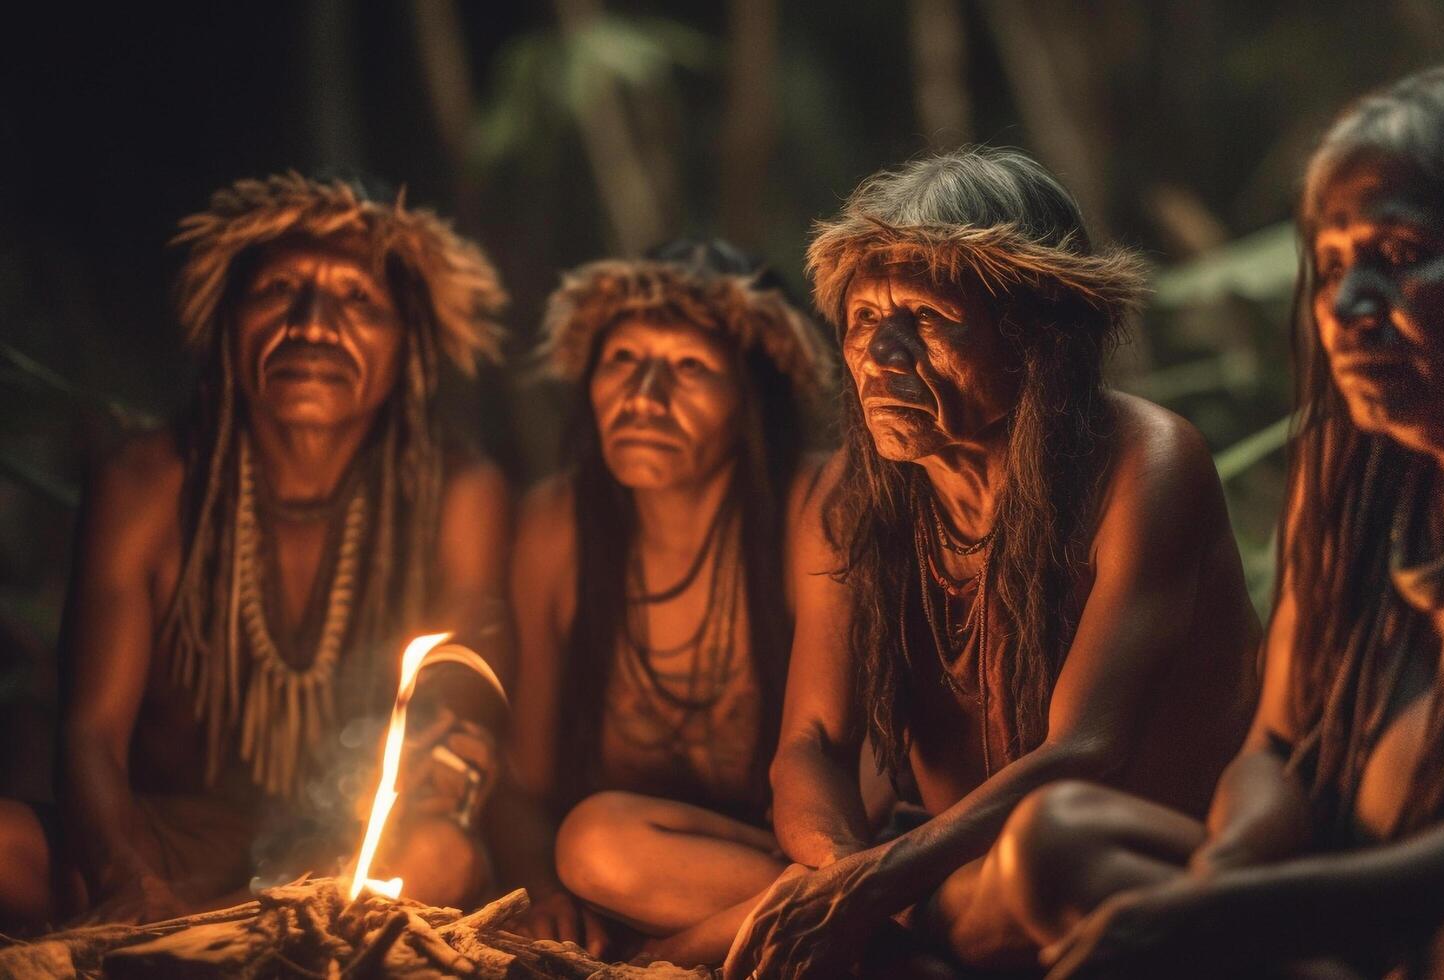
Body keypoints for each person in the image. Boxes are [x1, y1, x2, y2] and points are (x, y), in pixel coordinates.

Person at [1001, 65, 1444, 979]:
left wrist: (1270, 913)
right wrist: (1221, 884)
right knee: (1059, 840)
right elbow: (1277, 746)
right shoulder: (1356, 462)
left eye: (1401, 255)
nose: (1346, 310)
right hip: (1351, 929)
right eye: (1332, 267)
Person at [722, 147, 1260, 978]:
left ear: (1037, 337)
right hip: (927, 868)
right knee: (604, 839)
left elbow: (1085, 751)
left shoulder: (1145, 462)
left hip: (1111, 869)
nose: (881, 354)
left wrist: (864, 895)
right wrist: (838, 880)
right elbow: (813, 743)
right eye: (863, 319)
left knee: (1049, 850)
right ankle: (901, 949)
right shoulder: (846, 497)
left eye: (928, 321)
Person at [0, 173, 512, 928]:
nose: (312, 323)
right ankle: (221, 935)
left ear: (409, 347)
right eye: (278, 290)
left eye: (358, 300)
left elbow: (458, 722)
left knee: (440, 859)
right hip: (161, 844)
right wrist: (127, 875)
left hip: (349, 858)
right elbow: (89, 734)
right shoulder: (146, 481)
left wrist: (453, 765)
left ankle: (207, 939)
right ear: (228, 323)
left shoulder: (456, 494)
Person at [497, 239, 831, 964]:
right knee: (592, 843)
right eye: (622, 360)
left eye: (689, 367)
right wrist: (537, 893)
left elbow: (853, 783)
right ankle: (890, 930)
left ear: (753, 397)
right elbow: (524, 781)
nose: (643, 398)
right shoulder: (556, 527)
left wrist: (672, 952)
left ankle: (867, 925)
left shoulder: (817, 508)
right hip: (638, 879)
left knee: (596, 846)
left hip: (818, 870)